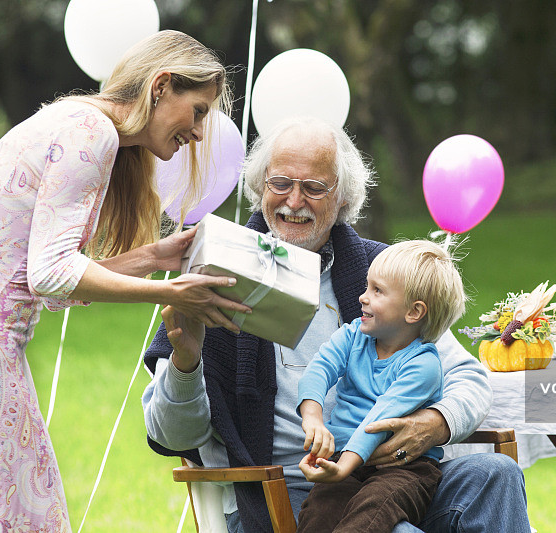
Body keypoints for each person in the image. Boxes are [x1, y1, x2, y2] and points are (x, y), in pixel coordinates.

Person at [142, 116, 531, 533]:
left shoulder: (381, 272)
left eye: (313, 188)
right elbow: (171, 435)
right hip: (285, 491)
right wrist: (185, 364)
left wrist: (435, 424)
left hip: (395, 476)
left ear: (343, 198)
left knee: (496, 473)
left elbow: (468, 378)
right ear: (260, 187)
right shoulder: (216, 279)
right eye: (280, 183)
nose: (294, 201)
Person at [0, 30, 251, 532]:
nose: (200, 132)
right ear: (161, 86)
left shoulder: (76, 120)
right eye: (198, 111)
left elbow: (45, 280)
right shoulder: (93, 132)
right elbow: (52, 275)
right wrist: (170, 292)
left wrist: (154, 257)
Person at [296, 239, 466, 532]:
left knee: (373, 510)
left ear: (414, 312)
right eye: (367, 286)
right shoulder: (353, 336)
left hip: (403, 468)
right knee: (320, 512)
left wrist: (344, 468)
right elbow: (319, 369)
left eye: (377, 291)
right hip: (344, 456)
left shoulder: (423, 365)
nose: (363, 297)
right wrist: (313, 419)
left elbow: (379, 419)